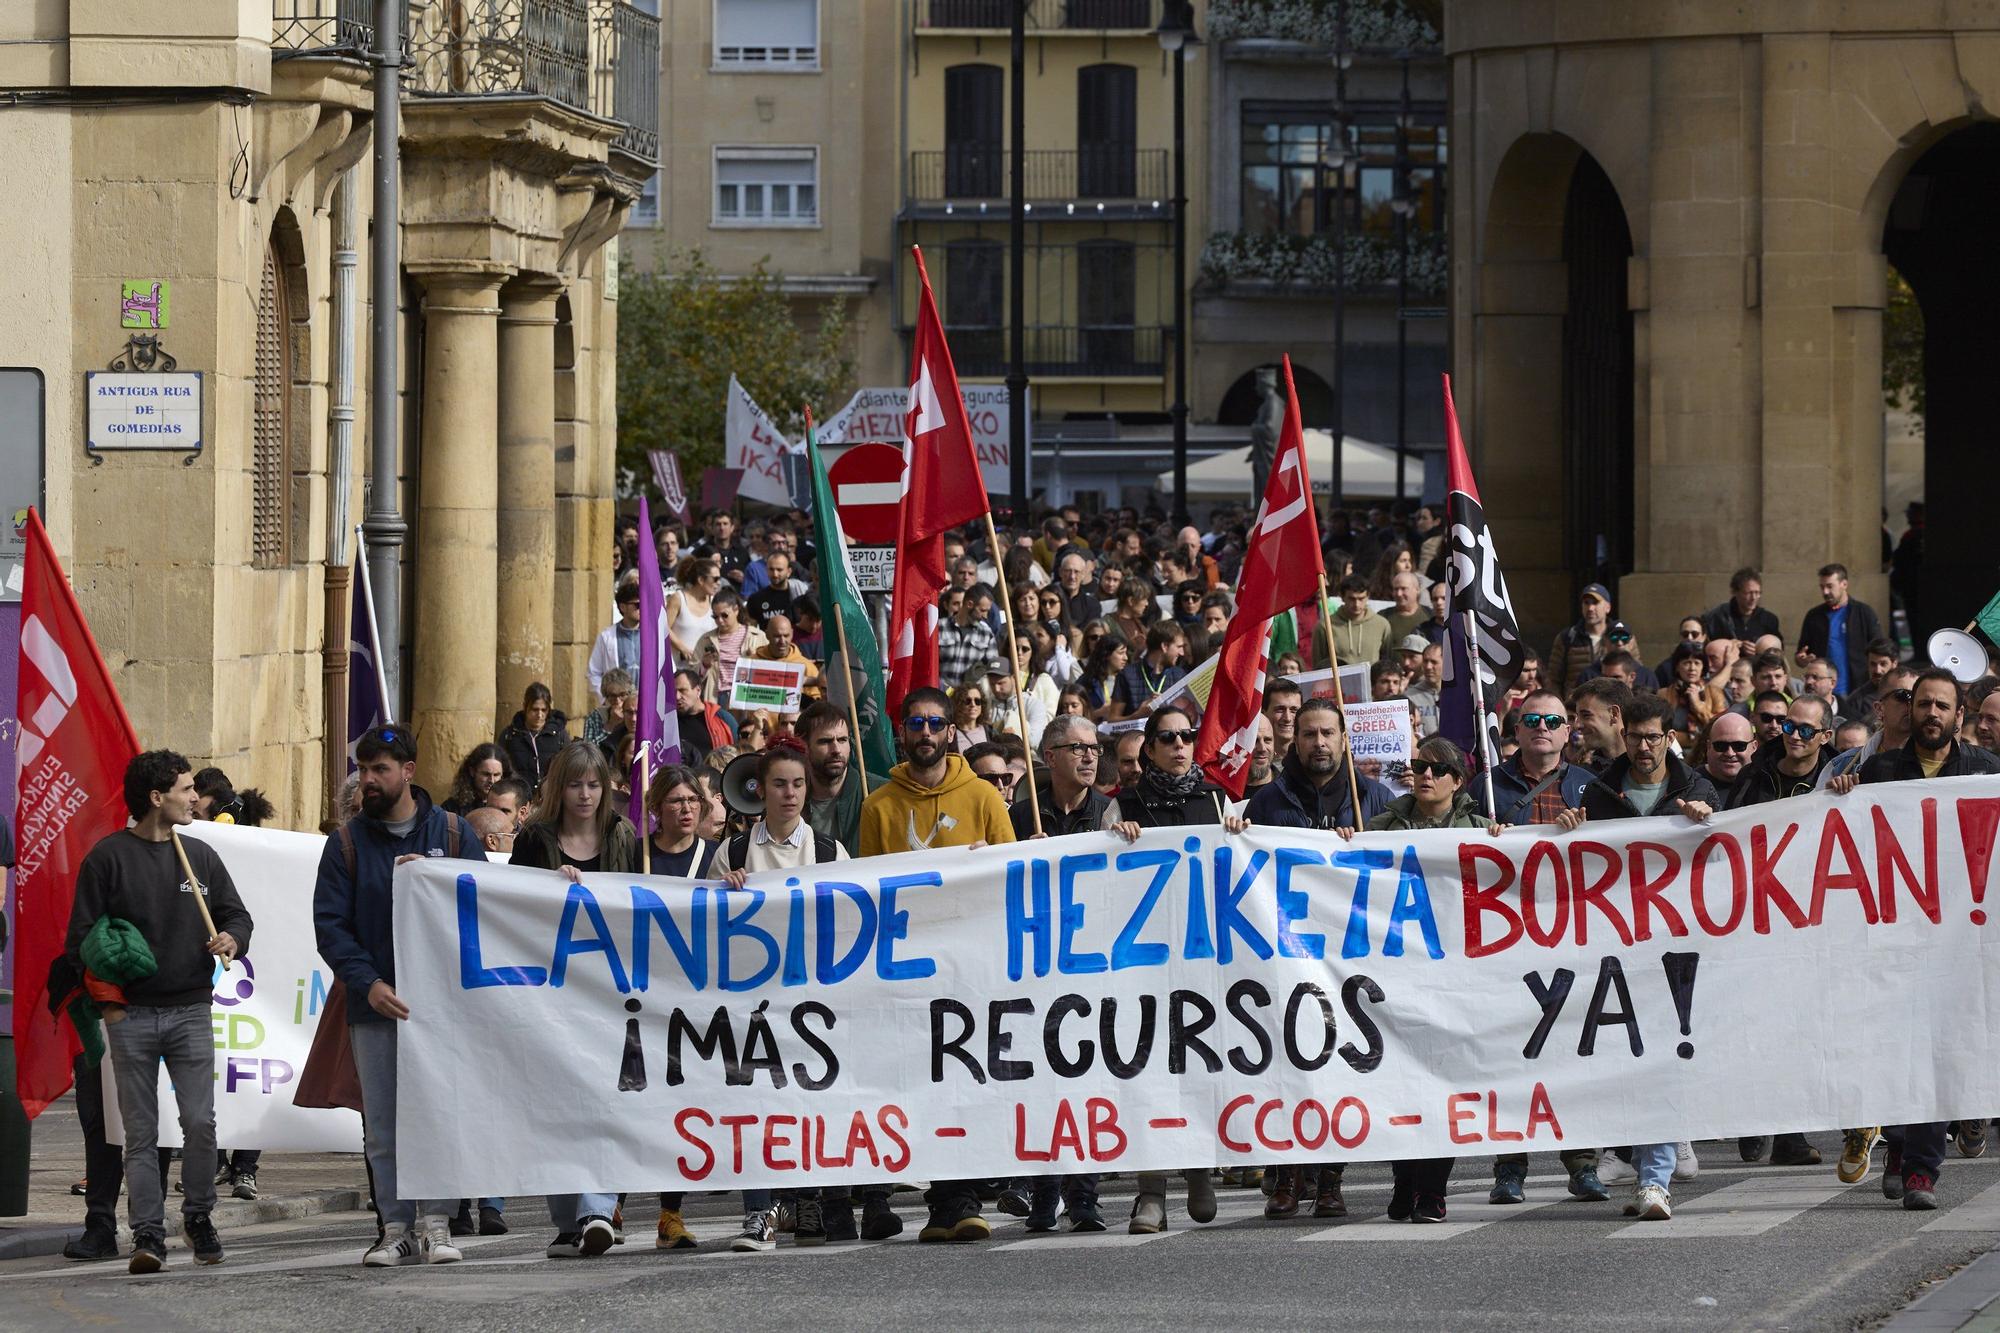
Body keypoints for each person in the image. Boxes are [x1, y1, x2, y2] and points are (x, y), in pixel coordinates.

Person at [63, 750, 252, 1274]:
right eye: (186, 789)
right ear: (155, 797)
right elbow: (82, 941)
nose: (196, 798)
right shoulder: (108, 858)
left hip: (191, 1010)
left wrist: (233, 937)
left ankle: (197, 1216)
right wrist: (112, 1010)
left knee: (200, 1124)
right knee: (141, 1133)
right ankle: (147, 1232)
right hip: (133, 1017)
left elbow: (236, 914)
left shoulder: (201, 857)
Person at [314, 725, 486, 1267]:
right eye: (363, 769)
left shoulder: (453, 834)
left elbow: (488, 906)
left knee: (439, 1114)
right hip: (376, 1006)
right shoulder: (345, 844)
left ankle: (437, 1223)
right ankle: (395, 1226)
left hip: (442, 1009)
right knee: (383, 1124)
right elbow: (331, 927)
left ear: (408, 772)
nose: (368, 780)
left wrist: (439, 877)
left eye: (380, 769)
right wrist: (370, 983)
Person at [1831, 669, 2000, 1210]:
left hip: (1958, 938)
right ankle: (1900, 1147)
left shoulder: (1985, 772)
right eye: (1922, 703)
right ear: (1908, 711)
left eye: (1941, 706)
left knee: (1936, 1048)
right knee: (1895, 1046)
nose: (1930, 713)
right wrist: (1838, 801)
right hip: (1895, 935)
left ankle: (1922, 1170)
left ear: (1959, 716)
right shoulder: (1878, 772)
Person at [859, 688, 1016, 1243]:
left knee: (969, 1078)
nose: (925, 733)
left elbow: (1010, 880)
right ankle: (940, 1200)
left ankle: (966, 1196)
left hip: (972, 969)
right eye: (916, 724)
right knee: (924, 1082)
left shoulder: (983, 798)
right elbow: (867, 893)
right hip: (909, 970)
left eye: (935, 723)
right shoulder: (878, 805)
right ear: (903, 733)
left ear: (952, 732)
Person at [1555, 695, 1717, 1222]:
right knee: (1626, 1058)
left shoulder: (1695, 789)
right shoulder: (1598, 791)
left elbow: (1731, 857)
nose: (1644, 748)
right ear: (1623, 736)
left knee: (1665, 1058)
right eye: (1636, 738)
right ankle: (1626, 1153)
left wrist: (1707, 822)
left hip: (1679, 947)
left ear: (1669, 737)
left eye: (1654, 737)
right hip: (1617, 948)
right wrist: (1569, 828)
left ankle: (1655, 1180)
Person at [1335, 737, 1500, 1223]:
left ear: (1457, 779)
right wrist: (1345, 843)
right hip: (1396, 976)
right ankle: (1405, 1179)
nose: (1424, 775)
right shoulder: (1381, 827)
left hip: (1454, 979)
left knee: (1442, 1082)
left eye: (1436, 768)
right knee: (1403, 1084)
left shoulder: (1480, 827)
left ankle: (1432, 1189)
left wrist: (1503, 839)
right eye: (1417, 767)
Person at [1102, 707, 1245, 1234]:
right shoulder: (1125, 804)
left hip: (1204, 958)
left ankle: (1201, 1170)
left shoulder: (1214, 800)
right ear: (1150, 750)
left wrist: (1236, 832)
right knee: (1151, 1072)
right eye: (1168, 738)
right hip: (1144, 964)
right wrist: (1114, 838)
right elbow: (1099, 876)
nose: (1181, 745)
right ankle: (1150, 1192)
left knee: (1202, 1065)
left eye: (1187, 736)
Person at [506, 741, 637, 1258]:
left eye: (594, 784)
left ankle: (598, 1208)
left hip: (612, 991)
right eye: (575, 784)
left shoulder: (623, 837)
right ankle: (569, 1222)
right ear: (558, 789)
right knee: (559, 1104)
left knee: (608, 1101)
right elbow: (508, 903)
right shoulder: (536, 840)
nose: (585, 794)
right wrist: (545, 886)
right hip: (552, 992)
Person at [1013, 714, 1109, 841]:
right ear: (1051, 758)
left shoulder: (1111, 812)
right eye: (1079, 748)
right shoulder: (1020, 815)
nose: (1090, 758)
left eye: (1095, 749)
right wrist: (1027, 852)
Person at [1798, 563, 1885, 698]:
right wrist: (1802, 660)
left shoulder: (1863, 613)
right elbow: (1801, 654)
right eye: (1822, 587)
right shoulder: (1814, 616)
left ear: (1844, 584)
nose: (1825, 592)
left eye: (1829, 586)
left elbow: (1880, 649)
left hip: (1858, 691)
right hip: (1824, 692)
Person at [797, 702, 873, 855]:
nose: (836, 750)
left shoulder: (876, 793)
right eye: (825, 741)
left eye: (842, 740)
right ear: (803, 745)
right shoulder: (788, 798)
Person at [501, 682, 568, 795]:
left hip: (551, 796)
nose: (539, 715)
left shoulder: (559, 735)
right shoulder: (510, 735)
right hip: (519, 795)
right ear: (525, 707)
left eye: (544, 710)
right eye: (534, 709)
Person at [1548, 583, 1615, 697]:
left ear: (1607, 607)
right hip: (1576, 706)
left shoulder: (1620, 637)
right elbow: (1553, 679)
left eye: (1595, 603)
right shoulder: (1567, 637)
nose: (1590, 608)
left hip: (1610, 703)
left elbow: (1635, 671)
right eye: (1586, 603)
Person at [1111, 621, 1187, 719]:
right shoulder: (1127, 675)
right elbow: (1112, 720)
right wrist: (1137, 715)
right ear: (1165, 646)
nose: (1182, 653)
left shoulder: (1179, 675)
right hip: (1137, 733)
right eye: (1179, 647)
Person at [587, 574, 643, 697]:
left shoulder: (654, 636)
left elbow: (669, 669)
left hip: (648, 703)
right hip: (619, 705)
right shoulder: (607, 637)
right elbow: (594, 673)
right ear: (623, 607)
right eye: (637, 605)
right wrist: (608, 699)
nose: (643, 608)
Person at [1702, 567, 1781, 653]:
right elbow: (1704, 647)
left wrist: (1760, 650)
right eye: (1748, 593)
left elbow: (1778, 651)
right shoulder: (1716, 617)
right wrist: (1728, 645)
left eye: (1757, 593)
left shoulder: (1769, 620)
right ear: (1735, 592)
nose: (1753, 598)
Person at [1319, 575, 1392, 668]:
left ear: (1368, 596)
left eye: (1361, 599)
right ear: (1342, 597)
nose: (1357, 604)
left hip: (1371, 681)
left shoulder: (1382, 625)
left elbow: (1387, 663)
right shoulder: (1326, 626)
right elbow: (1319, 666)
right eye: (1351, 599)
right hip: (1338, 682)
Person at [664, 556, 720, 661]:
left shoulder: (715, 602)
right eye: (715, 579)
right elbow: (663, 628)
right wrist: (683, 648)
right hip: (678, 668)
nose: (719, 583)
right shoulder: (678, 598)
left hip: (704, 669)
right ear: (701, 580)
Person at [1696, 712, 1757, 802]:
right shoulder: (1689, 786)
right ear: (1708, 746)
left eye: (1739, 746)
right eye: (1721, 746)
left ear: (1754, 747)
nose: (1730, 753)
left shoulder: (1769, 784)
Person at [442, 742, 512, 816]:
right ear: (472, 771)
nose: (491, 780)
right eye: (486, 774)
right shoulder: (452, 808)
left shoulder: (510, 806)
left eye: (496, 775)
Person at [580, 669, 636, 751]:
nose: (618, 701)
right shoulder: (596, 716)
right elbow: (587, 752)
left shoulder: (636, 715)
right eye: (613, 696)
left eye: (622, 695)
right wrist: (611, 725)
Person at [1382, 571, 1429, 644]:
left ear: (1417, 589)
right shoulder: (1383, 616)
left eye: (1404, 589)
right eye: (1396, 589)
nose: (1399, 594)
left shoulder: (1430, 615)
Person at [1264, 677, 1303, 760]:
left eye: (1294, 710)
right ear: (1264, 714)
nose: (1287, 718)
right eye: (1280, 710)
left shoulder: (1310, 759)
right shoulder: (1253, 761)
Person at [1245, 713, 1278, 794]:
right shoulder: (1223, 795)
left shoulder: (1289, 789)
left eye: (1267, 740)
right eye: (1255, 741)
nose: (1262, 748)